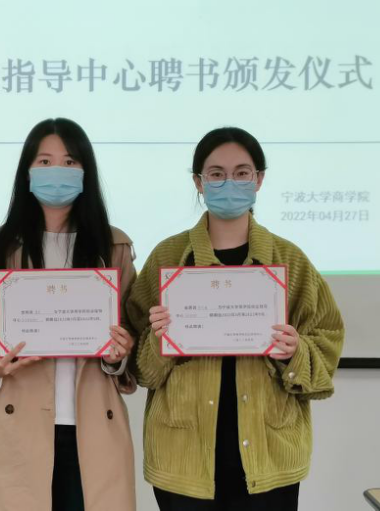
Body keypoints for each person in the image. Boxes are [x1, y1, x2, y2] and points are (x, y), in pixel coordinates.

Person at [126, 127, 345, 511]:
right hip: (183, 456)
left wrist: (294, 351)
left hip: (268, 455)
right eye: (216, 173)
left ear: (259, 179)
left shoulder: (289, 261)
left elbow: (326, 341)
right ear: (199, 182)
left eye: (242, 173)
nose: (230, 182)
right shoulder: (168, 258)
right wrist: (159, 340)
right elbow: (139, 364)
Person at [0, 118, 137, 511]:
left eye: (70, 162)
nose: (58, 171)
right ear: (28, 172)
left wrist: (119, 355)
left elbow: (132, 332)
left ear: (86, 172)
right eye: (45, 161)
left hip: (94, 425)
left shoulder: (113, 247)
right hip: (19, 422)